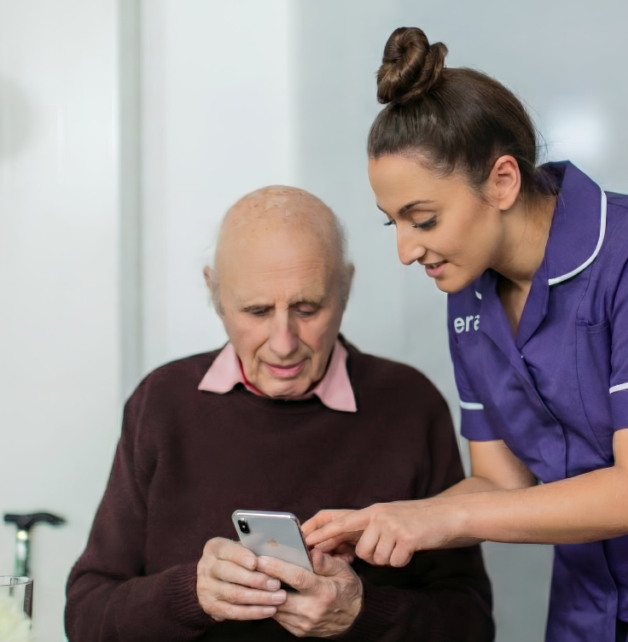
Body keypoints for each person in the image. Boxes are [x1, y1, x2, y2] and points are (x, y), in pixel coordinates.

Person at [305, 27, 628, 642]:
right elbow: (502, 482)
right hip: (593, 581)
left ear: (503, 181)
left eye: (422, 219)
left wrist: (442, 519)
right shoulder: (469, 294)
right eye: (392, 222)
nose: (404, 250)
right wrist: (389, 521)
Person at [65, 186, 494, 642]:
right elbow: (86, 616)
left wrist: (362, 613)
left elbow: (470, 624)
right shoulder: (161, 401)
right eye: (256, 311)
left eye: (308, 308)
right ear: (215, 292)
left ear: (345, 287)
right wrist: (190, 594)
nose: (284, 343)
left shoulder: (410, 405)